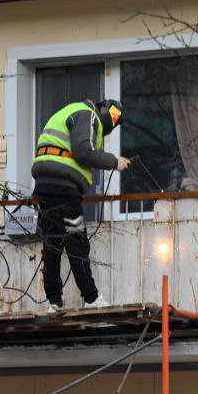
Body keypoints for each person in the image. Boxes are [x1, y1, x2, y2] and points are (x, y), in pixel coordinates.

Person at [31, 98, 129, 312]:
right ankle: (91, 298)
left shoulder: (71, 110)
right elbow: (84, 151)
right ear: (104, 109)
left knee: (52, 245)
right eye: (113, 116)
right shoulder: (88, 115)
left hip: (45, 188)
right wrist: (115, 162)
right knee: (77, 243)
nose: (112, 122)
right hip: (64, 191)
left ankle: (54, 302)